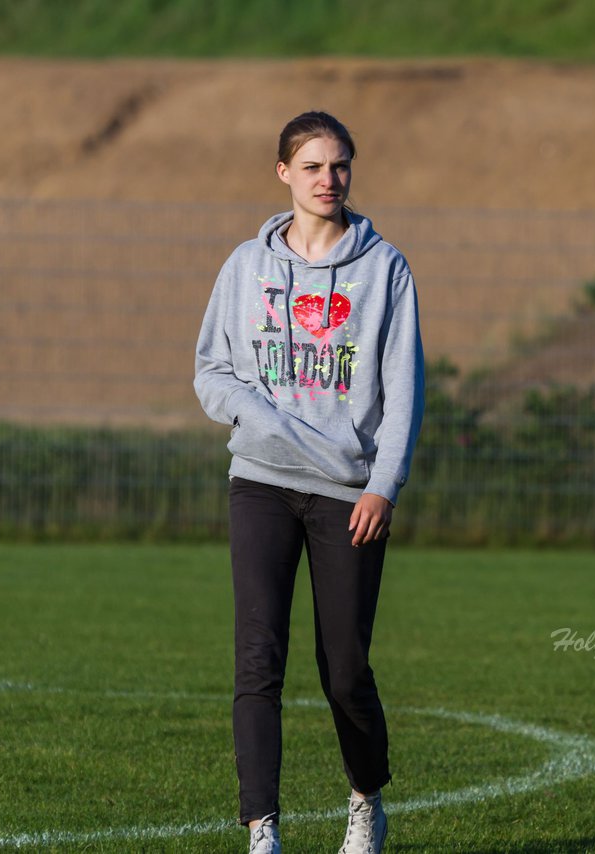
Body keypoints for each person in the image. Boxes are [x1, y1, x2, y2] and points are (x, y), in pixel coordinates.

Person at [194, 111, 424, 854]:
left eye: (341, 166)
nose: (330, 180)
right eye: (315, 166)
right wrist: (257, 419)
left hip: (349, 493)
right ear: (284, 173)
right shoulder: (245, 267)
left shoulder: (385, 268)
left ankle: (365, 800)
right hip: (259, 481)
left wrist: (382, 486)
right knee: (257, 659)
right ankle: (263, 829)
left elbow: (403, 391)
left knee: (346, 669)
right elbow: (211, 370)